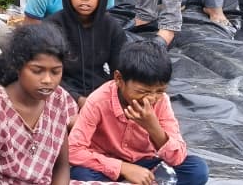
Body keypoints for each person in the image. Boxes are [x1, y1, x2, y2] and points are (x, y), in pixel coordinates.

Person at [69, 41, 210, 184]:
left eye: (159, 91)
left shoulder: (161, 102)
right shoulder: (98, 101)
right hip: (106, 163)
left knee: (197, 170)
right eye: (142, 91)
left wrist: (153, 127)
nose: (151, 98)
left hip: (145, 162)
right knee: (81, 174)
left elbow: (177, 157)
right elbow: (73, 150)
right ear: (119, 79)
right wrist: (123, 168)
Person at [0, 23, 78, 185]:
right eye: (37, 71)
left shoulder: (59, 98)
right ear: (17, 67)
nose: (47, 80)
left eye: (55, 71)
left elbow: (61, 167)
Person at [46, 0, 125, 101]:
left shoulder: (111, 27)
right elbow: (47, 73)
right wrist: (78, 99)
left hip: (100, 92)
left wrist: (105, 98)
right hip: (60, 92)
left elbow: (119, 71)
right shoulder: (53, 26)